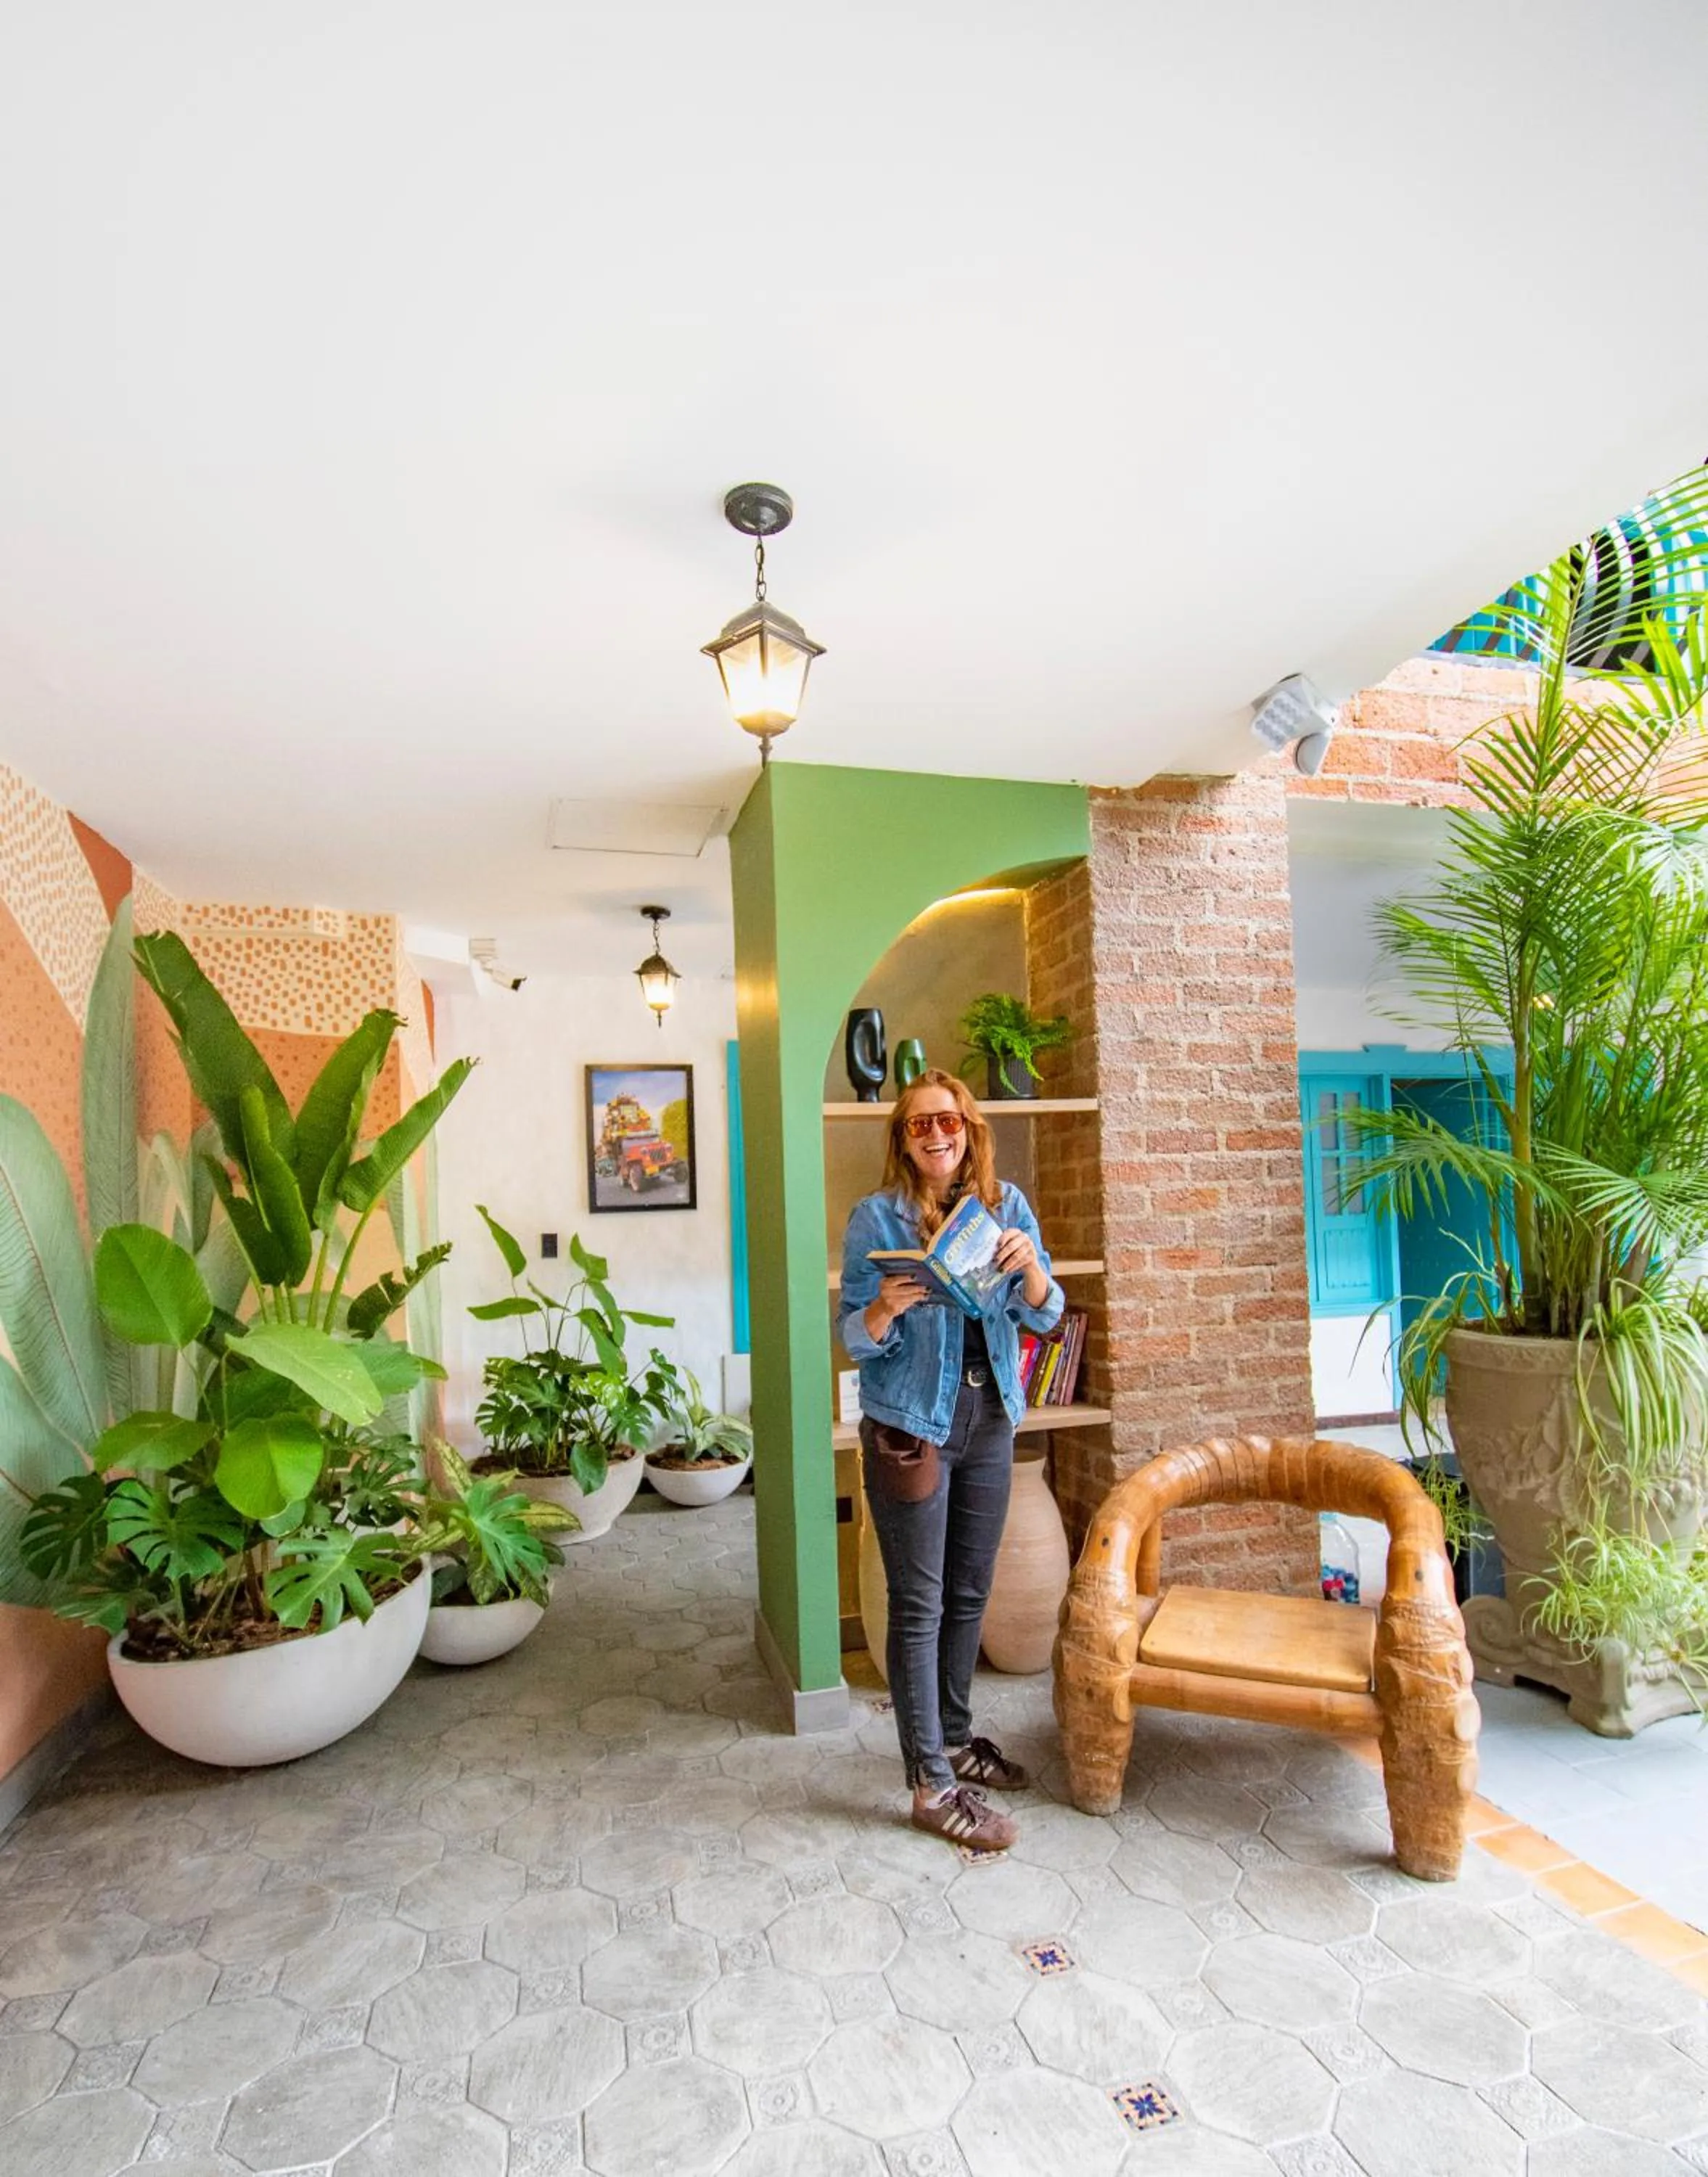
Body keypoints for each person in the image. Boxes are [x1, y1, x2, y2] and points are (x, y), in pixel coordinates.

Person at [838, 1067, 1064, 1851]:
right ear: (902, 1140)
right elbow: (852, 1338)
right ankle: (930, 1784)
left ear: (970, 1131)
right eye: (917, 1124)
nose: (935, 1134)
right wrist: (885, 1307)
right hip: (910, 1425)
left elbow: (1045, 1312)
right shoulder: (877, 1217)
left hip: (988, 1417)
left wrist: (1028, 1264)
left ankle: (958, 1739)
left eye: (947, 1121)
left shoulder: (1006, 1210)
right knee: (919, 1602)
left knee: (970, 1590)